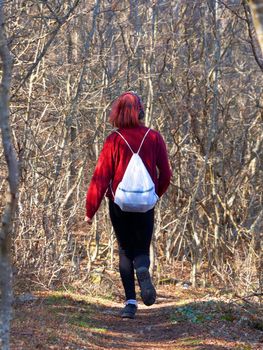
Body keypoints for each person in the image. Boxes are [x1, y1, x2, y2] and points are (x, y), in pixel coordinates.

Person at [85, 91, 171, 319]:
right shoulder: (154, 137)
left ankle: (130, 303)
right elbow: (166, 174)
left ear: (118, 112)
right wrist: (155, 195)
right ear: (140, 111)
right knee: (141, 248)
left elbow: (101, 176)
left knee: (125, 250)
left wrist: (90, 209)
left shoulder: (114, 140)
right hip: (145, 204)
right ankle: (142, 269)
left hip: (119, 203)